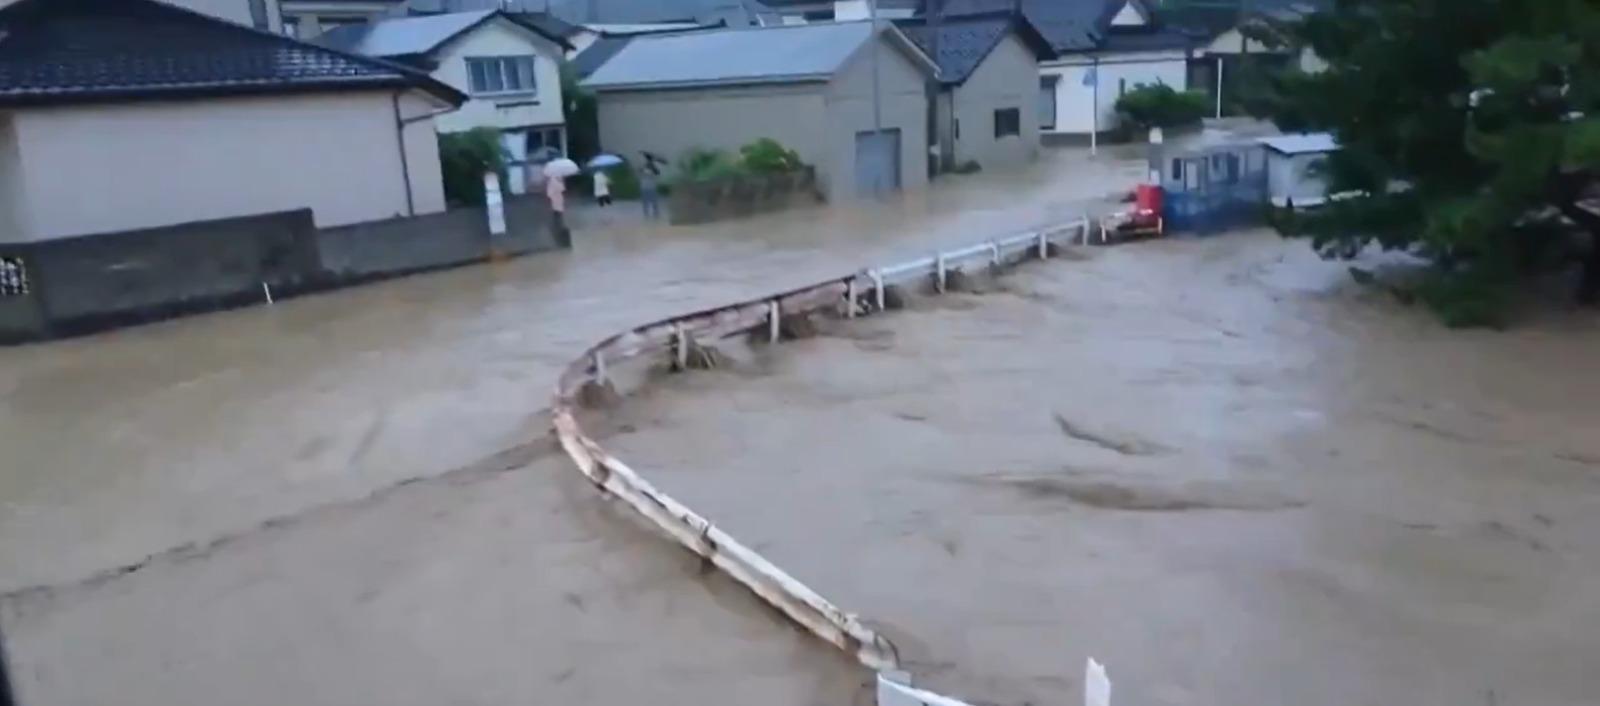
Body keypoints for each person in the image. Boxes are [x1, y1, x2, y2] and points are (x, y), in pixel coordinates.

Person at [639, 153, 663, 220]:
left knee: (652, 201)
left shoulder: (651, 168)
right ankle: (649, 214)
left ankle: (654, 214)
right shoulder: (644, 168)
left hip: (649, 187)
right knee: (647, 202)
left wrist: (649, 171)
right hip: (646, 187)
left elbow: (657, 175)